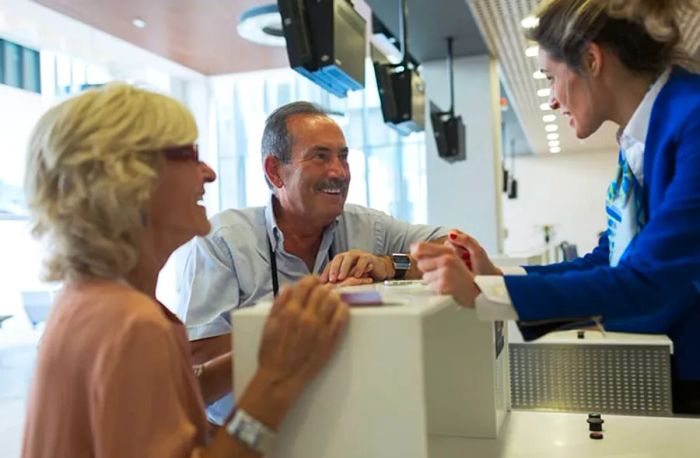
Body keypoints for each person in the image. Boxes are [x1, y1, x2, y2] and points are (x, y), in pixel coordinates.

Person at [21, 84, 349, 457]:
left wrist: (267, 344)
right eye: (190, 155)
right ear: (130, 177)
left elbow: (160, 391)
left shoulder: (89, 300)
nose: (208, 173)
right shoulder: (131, 323)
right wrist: (277, 379)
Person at [411, 0, 700, 414]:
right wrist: (497, 276)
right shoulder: (643, 137)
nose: (550, 100)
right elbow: (609, 260)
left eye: (550, 78)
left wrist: (486, 293)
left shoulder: (691, 121)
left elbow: (648, 282)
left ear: (590, 59)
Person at [179, 101, 449, 425]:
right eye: (321, 156)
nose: (340, 172)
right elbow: (200, 359)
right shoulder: (225, 240)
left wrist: (391, 264)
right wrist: (313, 309)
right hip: (247, 438)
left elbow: (461, 250)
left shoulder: (367, 227)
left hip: (346, 424)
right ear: (275, 171)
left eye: (344, 157)